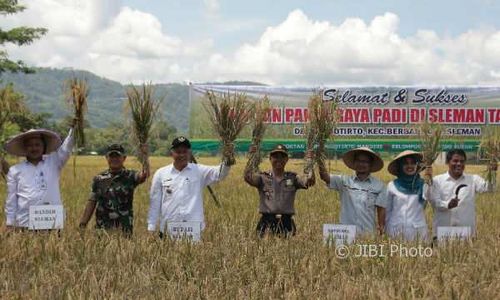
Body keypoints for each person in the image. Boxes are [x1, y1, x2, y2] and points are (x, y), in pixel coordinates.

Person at [147, 136, 232, 238]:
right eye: (178, 151)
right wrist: (151, 227)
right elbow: (155, 203)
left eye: (185, 151)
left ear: (190, 153)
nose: (182, 155)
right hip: (168, 230)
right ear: (172, 153)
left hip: (194, 230)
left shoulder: (199, 171)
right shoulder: (161, 173)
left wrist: (228, 158)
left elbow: (220, 174)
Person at [4, 123, 74, 230]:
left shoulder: (54, 162)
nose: (34, 148)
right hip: (25, 223)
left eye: (37, 145)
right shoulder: (15, 171)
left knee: (53, 247)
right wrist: (10, 222)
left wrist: (74, 129)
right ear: (24, 148)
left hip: (52, 222)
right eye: (30, 145)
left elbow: (66, 148)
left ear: (43, 147)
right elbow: (11, 200)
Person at [244, 144, 315, 237]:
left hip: (286, 223)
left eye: (282, 157)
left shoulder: (293, 178)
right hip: (266, 223)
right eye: (275, 157)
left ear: (287, 159)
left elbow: (309, 181)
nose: (279, 160)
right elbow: (248, 177)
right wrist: (251, 157)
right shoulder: (263, 177)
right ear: (270, 158)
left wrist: (310, 162)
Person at [78, 144, 149, 236]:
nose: (114, 159)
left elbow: (144, 175)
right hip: (102, 229)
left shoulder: (131, 176)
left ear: (124, 158)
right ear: (106, 158)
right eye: (111, 156)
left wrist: (144, 156)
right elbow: (92, 201)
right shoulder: (99, 179)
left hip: (124, 229)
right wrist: (83, 223)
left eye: (117, 156)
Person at [318, 147, 387, 237]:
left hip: (368, 235)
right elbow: (325, 177)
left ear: (370, 164)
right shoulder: (344, 181)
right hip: (345, 235)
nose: (361, 164)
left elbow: (381, 210)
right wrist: (319, 159)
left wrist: (382, 230)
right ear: (354, 163)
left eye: (365, 161)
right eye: (358, 160)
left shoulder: (379, 186)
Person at [429, 149, 497, 237]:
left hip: (466, 233)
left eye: (462, 161)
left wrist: (493, 173)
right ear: (448, 162)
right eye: (455, 161)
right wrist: (447, 205)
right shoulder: (437, 181)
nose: (459, 164)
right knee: (443, 251)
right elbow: (434, 201)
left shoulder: (473, 179)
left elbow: (490, 188)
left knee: (466, 251)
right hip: (443, 231)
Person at [385, 150, 440, 241]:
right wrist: (385, 233)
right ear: (400, 166)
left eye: (413, 163)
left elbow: (433, 200)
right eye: (405, 163)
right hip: (395, 231)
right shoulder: (392, 185)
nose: (410, 166)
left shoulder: (424, 184)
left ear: (417, 166)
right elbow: (387, 211)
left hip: (418, 232)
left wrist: (430, 180)